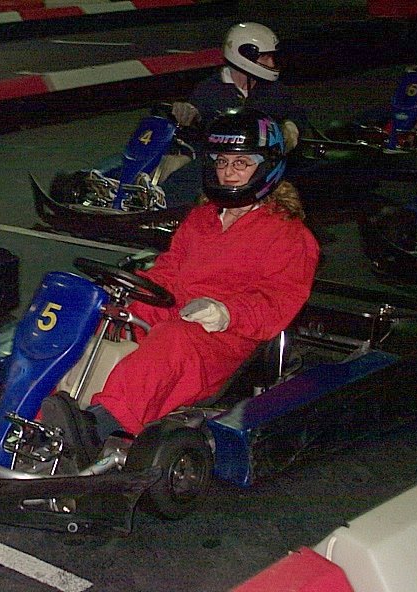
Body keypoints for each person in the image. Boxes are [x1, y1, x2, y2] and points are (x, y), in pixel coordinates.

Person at [44, 108, 319, 453]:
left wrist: (227, 312)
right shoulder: (202, 218)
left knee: (172, 341)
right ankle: (33, 408)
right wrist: (129, 289)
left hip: (226, 338)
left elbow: (277, 300)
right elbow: (170, 270)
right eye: (221, 162)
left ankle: (99, 425)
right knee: (94, 317)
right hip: (176, 311)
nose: (228, 173)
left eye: (241, 163)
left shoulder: (289, 236)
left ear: (266, 167)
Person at [154, 22, 307, 204]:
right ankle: (155, 201)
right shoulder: (209, 90)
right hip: (222, 160)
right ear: (244, 56)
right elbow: (192, 130)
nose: (271, 63)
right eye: (265, 58)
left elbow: (296, 115)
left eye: (272, 57)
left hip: (260, 162)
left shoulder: (274, 90)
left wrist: (291, 127)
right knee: (184, 172)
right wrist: (188, 114)